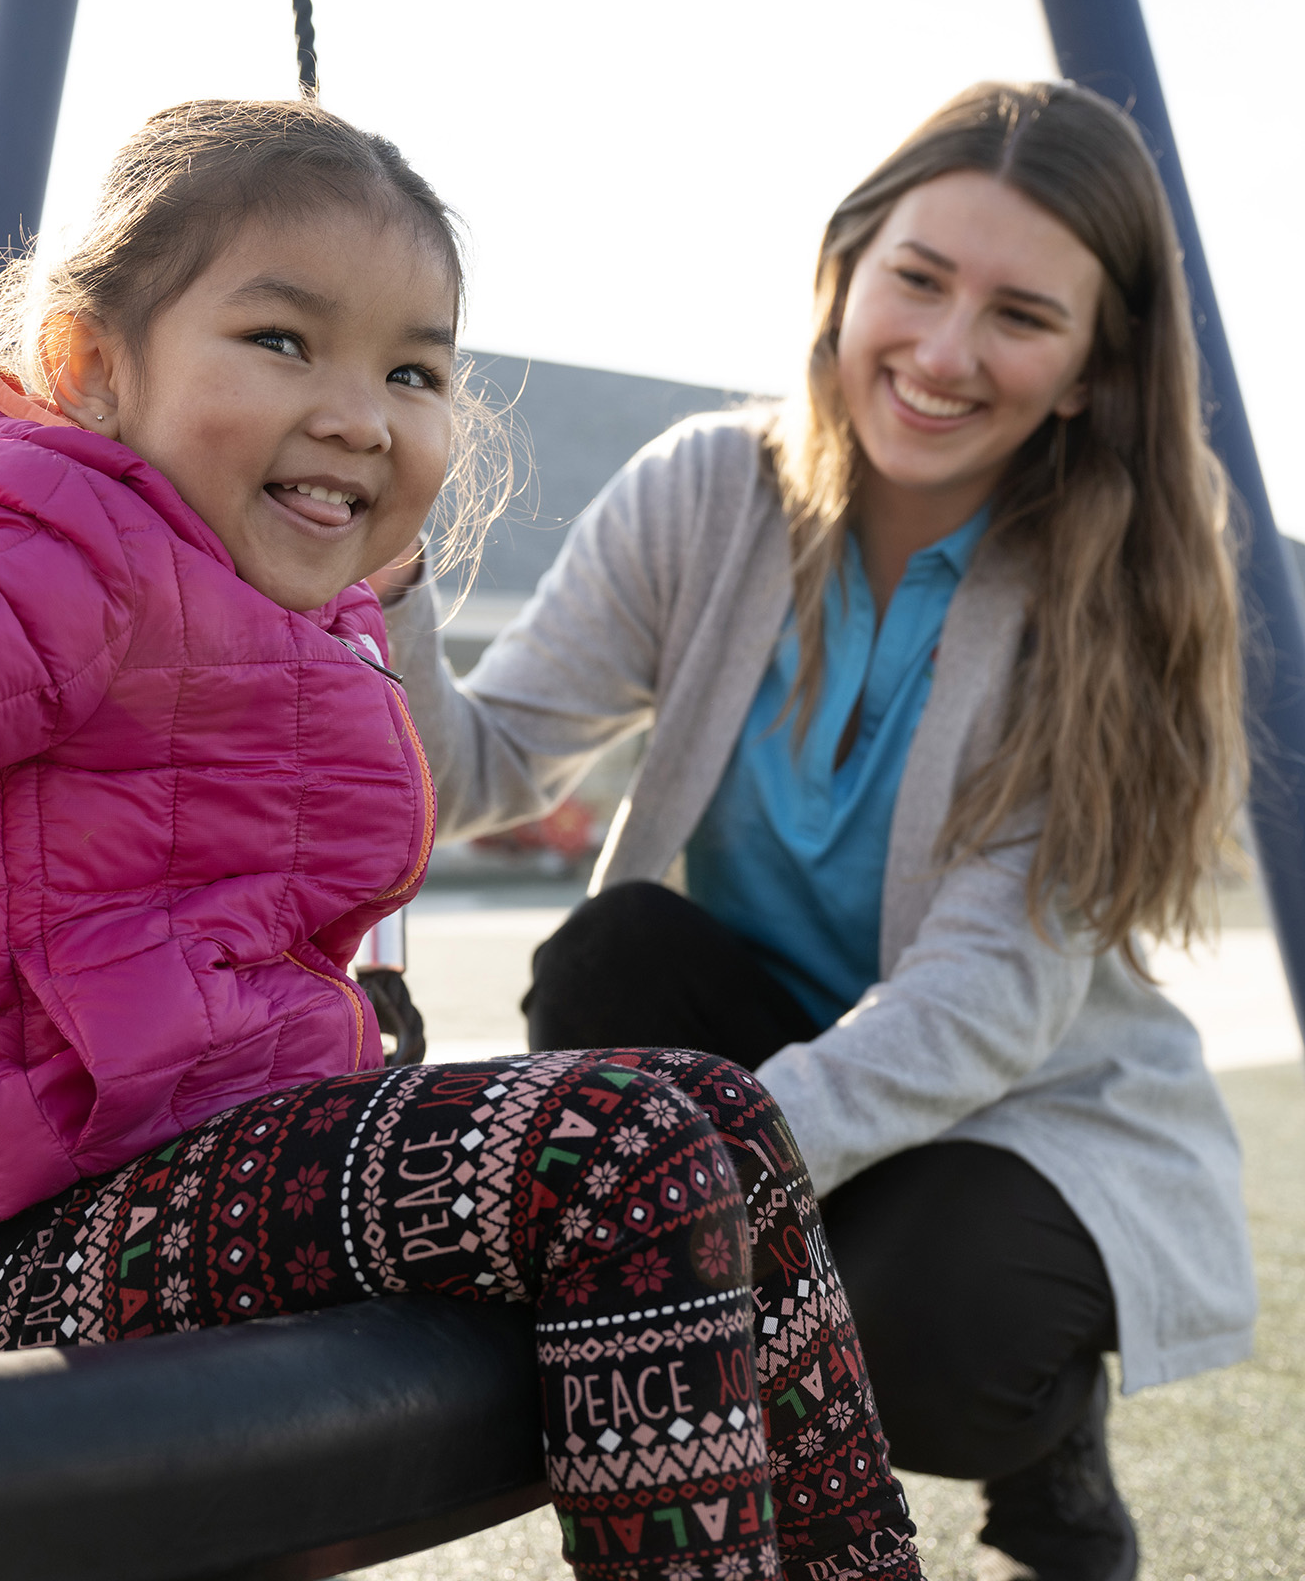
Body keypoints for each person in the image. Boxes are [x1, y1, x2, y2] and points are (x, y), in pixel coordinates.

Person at [0, 101, 922, 1581]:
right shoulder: (49, 541)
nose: (360, 410)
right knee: (632, 1142)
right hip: (42, 1239)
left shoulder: (289, 599)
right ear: (88, 366)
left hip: (208, 1177)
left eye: (412, 371)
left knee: (725, 1121)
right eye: (283, 342)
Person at [375, 82, 1254, 1581]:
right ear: (845, 269)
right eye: (918, 279)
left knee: (933, 1347)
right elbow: (482, 768)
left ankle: (1053, 1448)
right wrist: (383, 561)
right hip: (759, 1029)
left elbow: (980, 1005)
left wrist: (689, 1175)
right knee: (614, 954)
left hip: (1013, 1101)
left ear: (1092, 371)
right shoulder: (707, 489)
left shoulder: (1105, 606)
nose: (944, 352)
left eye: (1020, 315)